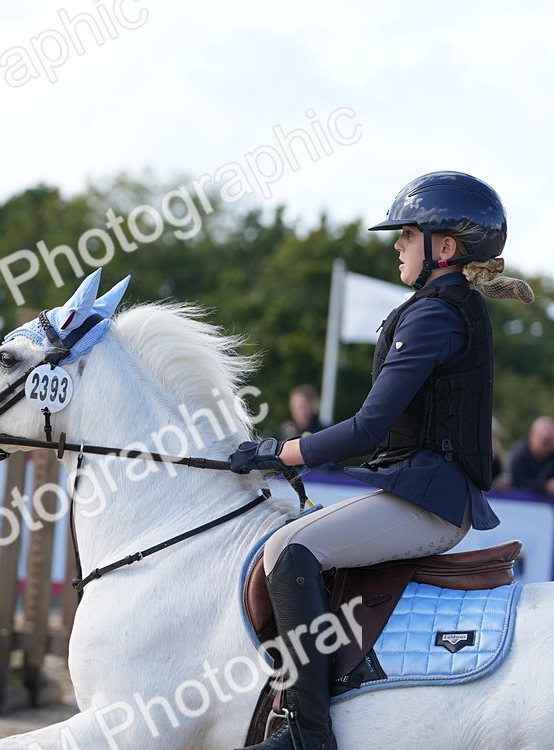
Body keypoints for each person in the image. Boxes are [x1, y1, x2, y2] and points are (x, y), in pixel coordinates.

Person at [229, 171, 535, 750]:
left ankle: (307, 732)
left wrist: (280, 453)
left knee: (288, 549)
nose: (397, 244)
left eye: (408, 235)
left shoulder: (436, 314)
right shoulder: (444, 306)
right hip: (423, 492)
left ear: (444, 248)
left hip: (430, 503)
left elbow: (368, 427)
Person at [506, 416, 554, 500]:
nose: (549, 447)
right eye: (545, 442)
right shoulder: (518, 457)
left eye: (552, 441)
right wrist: (546, 487)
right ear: (533, 437)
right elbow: (518, 483)